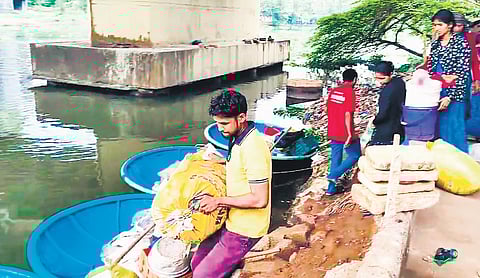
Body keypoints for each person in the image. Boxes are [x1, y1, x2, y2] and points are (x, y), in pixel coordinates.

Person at [192, 89, 272, 278]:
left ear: (242, 117)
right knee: (196, 262)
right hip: (231, 220)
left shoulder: (253, 148)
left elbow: (260, 199)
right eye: (217, 123)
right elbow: (242, 169)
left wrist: (217, 201)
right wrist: (222, 161)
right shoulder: (238, 138)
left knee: (202, 275)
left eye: (224, 123)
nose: (220, 129)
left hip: (246, 229)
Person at [427, 9, 471, 153]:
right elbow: (431, 71)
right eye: (434, 25)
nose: (436, 28)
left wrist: (449, 95)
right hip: (437, 92)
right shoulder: (434, 45)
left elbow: (462, 73)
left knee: (455, 131)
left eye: (439, 25)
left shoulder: (461, 44)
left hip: (455, 95)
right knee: (439, 133)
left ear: (450, 25)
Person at [325, 69, 361, 196]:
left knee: (336, 158)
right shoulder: (349, 92)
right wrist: (350, 134)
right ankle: (333, 175)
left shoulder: (334, 91)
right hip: (344, 131)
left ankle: (331, 189)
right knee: (355, 154)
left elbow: (327, 109)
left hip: (332, 129)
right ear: (355, 79)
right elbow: (347, 114)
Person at [369, 61, 407, 145]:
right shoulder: (400, 82)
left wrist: (374, 121)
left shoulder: (387, 92)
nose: (379, 81)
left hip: (386, 129)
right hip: (398, 126)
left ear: (390, 74)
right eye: (377, 78)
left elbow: (383, 113)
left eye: (382, 78)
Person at [452, 12, 480, 119]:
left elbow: (474, 61)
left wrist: (476, 80)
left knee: (465, 103)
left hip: (465, 77)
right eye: (454, 25)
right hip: (445, 78)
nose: (455, 28)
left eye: (459, 25)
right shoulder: (441, 39)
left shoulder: (469, 38)